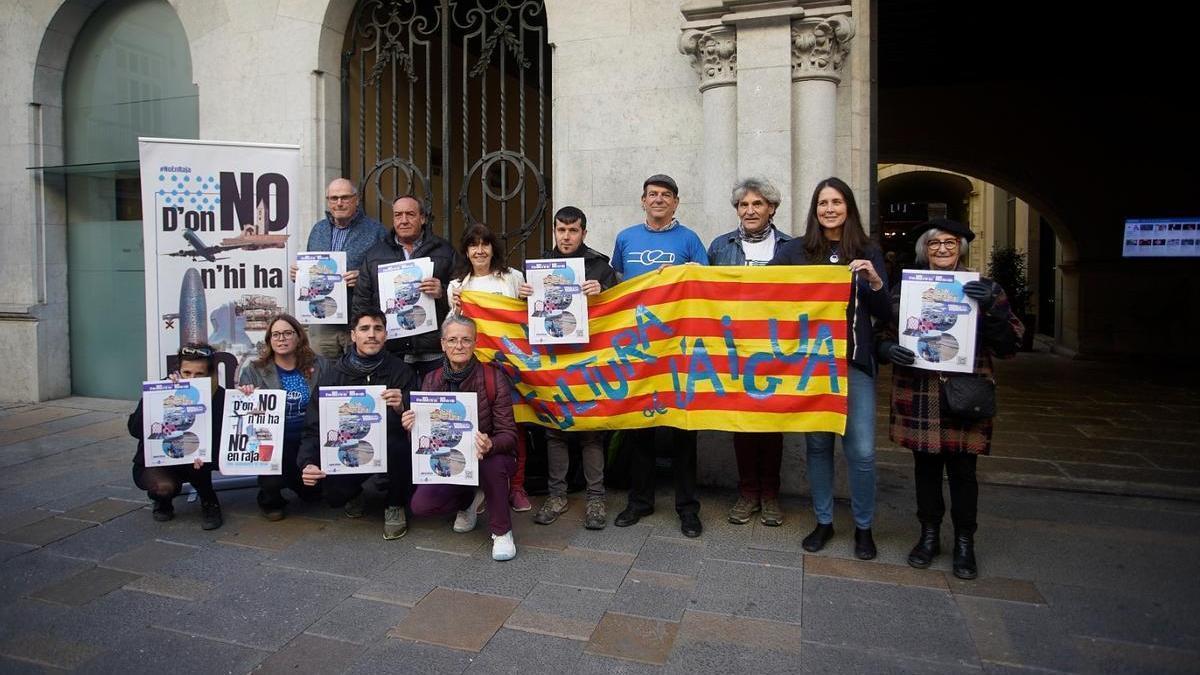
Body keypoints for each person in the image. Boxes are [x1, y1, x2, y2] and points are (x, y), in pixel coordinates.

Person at [877, 217, 1023, 580]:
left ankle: (964, 544)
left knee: (963, 471)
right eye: (935, 243)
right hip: (920, 391)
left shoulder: (985, 287)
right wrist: (886, 348)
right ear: (924, 249)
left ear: (961, 249)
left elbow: (1011, 345)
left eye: (950, 243)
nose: (942, 249)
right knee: (925, 469)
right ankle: (928, 537)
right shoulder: (905, 289)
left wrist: (991, 310)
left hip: (966, 391)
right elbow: (882, 329)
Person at [770, 176, 889, 560]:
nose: (830, 209)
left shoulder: (868, 250)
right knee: (818, 447)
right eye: (823, 203)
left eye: (837, 202)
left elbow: (886, 313)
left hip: (854, 363)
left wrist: (873, 282)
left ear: (848, 207)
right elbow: (764, 296)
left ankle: (864, 527)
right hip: (811, 367)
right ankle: (823, 521)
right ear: (814, 210)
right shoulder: (794, 251)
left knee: (863, 451)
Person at [611, 174, 709, 538]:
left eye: (665, 195)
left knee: (683, 428)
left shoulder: (690, 239)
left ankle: (687, 508)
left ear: (676, 203)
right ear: (642, 200)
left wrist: (689, 271)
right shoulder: (624, 238)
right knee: (640, 429)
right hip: (637, 347)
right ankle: (640, 501)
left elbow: (705, 281)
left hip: (680, 350)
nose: (658, 199)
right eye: (652, 194)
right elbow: (619, 288)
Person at [520, 206, 619, 529]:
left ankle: (595, 499)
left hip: (590, 360)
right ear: (554, 231)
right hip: (553, 359)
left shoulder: (601, 267)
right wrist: (522, 295)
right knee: (554, 430)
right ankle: (557, 495)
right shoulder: (537, 267)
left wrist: (603, 292)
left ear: (584, 233)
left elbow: (621, 311)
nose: (566, 236)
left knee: (591, 432)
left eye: (573, 230)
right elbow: (524, 314)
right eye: (561, 230)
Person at [707, 178, 794, 527]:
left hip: (776, 347)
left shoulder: (791, 247)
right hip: (734, 348)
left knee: (772, 423)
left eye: (757, 204)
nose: (750, 211)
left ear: (772, 208)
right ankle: (747, 494)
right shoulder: (719, 246)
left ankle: (770, 496)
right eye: (744, 205)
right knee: (741, 422)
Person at [405, 315, 520, 561]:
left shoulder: (492, 377)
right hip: (451, 458)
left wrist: (491, 444)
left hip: (487, 455)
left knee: (493, 464)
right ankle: (468, 500)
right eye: (453, 340)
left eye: (466, 340)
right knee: (421, 506)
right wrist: (411, 428)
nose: (459, 346)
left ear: (475, 343)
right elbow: (423, 439)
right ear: (442, 344)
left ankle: (502, 532)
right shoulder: (431, 379)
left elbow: (509, 435)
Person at [298, 309, 418, 540]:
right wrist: (308, 462)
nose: (371, 335)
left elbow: (418, 422)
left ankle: (394, 505)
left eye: (378, 329)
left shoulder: (401, 372)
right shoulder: (333, 376)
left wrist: (402, 406)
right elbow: (314, 425)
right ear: (353, 336)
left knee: (400, 447)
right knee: (332, 495)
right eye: (364, 329)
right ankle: (353, 493)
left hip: (390, 449)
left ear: (386, 335)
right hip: (348, 446)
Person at [445, 223, 530, 511]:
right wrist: (456, 308)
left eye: (485, 244)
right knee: (480, 428)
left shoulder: (512, 278)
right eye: (473, 245)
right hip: (476, 369)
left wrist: (529, 298)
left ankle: (516, 487)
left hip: (512, 366)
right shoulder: (457, 286)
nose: (479, 250)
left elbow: (527, 319)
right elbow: (452, 328)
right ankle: (484, 489)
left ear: (493, 248)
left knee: (513, 427)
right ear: (466, 251)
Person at [352, 194, 460, 380]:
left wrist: (442, 292)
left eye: (410, 214)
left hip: (435, 352)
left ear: (423, 218)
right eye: (397, 215)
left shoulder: (445, 251)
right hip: (392, 352)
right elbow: (362, 302)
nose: (403, 221)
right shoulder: (374, 254)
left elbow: (463, 297)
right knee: (398, 405)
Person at [237, 313, 329, 520]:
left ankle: (298, 481)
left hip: (310, 439)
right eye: (276, 334)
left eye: (288, 333)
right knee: (273, 483)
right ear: (269, 340)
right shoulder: (254, 370)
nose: (281, 338)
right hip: (274, 441)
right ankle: (270, 496)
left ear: (299, 337)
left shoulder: (320, 365)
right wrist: (247, 394)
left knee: (313, 495)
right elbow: (243, 415)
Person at [128, 343, 225, 530]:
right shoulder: (162, 388)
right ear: (178, 370)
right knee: (163, 487)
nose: (192, 378)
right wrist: (160, 394)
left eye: (199, 374)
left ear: (209, 374)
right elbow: (134, 429)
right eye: (187, 373)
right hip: (160, 460)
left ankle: (209, 500)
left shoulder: (218, 395)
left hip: (194, 461)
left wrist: (208, 455)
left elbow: (221, 436)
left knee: (195, 455)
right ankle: (162, 500)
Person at [291, 178, 388, 358]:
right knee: (323, 376)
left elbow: (388, 273)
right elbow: (312, 269)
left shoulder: (377, 231)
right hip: (322, 323)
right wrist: (300, 275)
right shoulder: (318, 230)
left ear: (356, 199)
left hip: (360, 321)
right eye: (333, 198)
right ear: (328, 201)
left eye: (345, 197)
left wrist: (364, 278)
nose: (339, 203)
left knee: (358, 375)